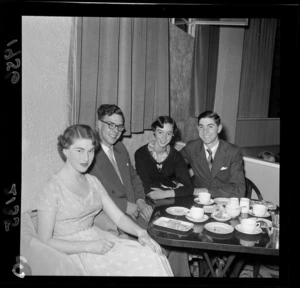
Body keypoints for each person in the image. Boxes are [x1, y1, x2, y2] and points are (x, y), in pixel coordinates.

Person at [35, 124, 173, 276]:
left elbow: (119, 217)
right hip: (72, 252)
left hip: (97, 239)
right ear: (66, 151)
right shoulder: (51, 189)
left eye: (90, 150)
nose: (86, 158)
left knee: (153, 255)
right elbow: (45, 240)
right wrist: (88, 246)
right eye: (79, 150)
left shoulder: (92, 181)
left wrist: (141, 233)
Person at [89, 104, 153, 233]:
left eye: (119, 126)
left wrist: (140, 201)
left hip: (135, 211)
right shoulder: (90, 153)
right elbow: (90, 195)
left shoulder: (120, 148)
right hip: (111, 217)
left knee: (171, 236)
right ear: (99, 124)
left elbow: (134, 178)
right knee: (155, 248)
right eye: (111, 124)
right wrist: (125, 206)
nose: (115, 131)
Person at [180, 110, 246, 198]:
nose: (205, 131)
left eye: (210, 126)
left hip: (222, 202)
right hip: (196, 202)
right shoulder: (191, 147)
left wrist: (206, 191)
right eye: (201, 127)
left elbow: (239, 190)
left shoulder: (233, 152)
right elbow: (173, 164)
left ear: (219, 128)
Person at [135, 115, 194, 200]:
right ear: (154, 131)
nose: (164, 137)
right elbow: (145, 186)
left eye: (168, 133)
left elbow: (189, 187)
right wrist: (175, 189)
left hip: (169, 197)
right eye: (160, 132)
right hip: (149, 198)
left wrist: (165, 193)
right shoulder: (141, 154)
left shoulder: (176, 156)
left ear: (173, 134)